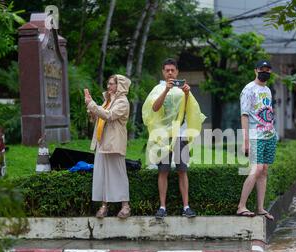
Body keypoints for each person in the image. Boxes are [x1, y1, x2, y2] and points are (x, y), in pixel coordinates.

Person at [142, 58, 205, 219]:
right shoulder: (157, 89)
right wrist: (165, 90)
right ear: (163, 72)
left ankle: (186, 207)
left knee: (182, 170)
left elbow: (191, 110)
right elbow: (154, 108)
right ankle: (162, 207)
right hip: (163, 137)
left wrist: (187, 93)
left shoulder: (183, 89)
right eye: (167, 70)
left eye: (172, 70)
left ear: (177, 72)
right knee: (163, 171)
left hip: (181, 135)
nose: (170, 72)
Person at [84, 74, 131, 219]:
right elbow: (99, 118)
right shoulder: (107, 101)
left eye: (112, 84)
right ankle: (104, 206)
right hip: (102, 142)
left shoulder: (122, 102)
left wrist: (92, 104)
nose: (108, 86)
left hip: (114, 143)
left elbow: (109, 116)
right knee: (102, 175)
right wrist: (92, 111)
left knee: (118, 174)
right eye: (108, 83)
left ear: (120, 86)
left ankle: (126, 206)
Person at [236, 60, 277, 220]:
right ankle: (241, 206)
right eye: (262, 69)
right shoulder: (248, 89)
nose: (265, 72)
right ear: (256, 71)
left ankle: (260, 208)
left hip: (268, 135)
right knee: (256, 169)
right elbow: (244, 115)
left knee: (264, 169)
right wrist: (245, 140)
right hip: (254, 136)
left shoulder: (267, 90)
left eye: (268, 69)